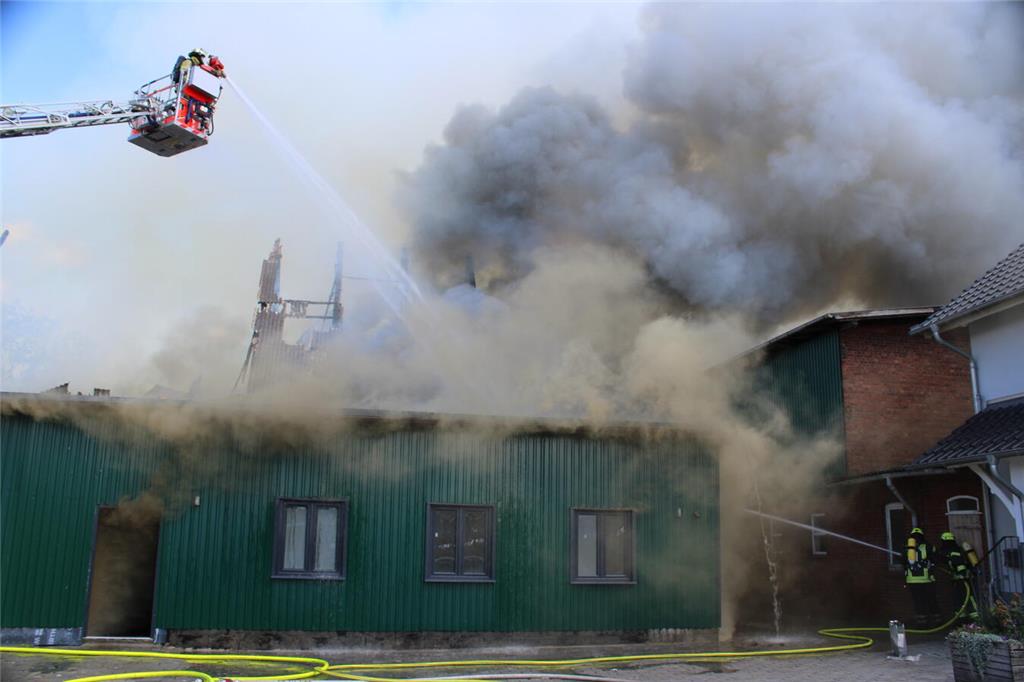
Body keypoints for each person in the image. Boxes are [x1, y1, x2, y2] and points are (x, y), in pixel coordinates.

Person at [905, 527, 940, 626]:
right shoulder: (929, 547)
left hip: (913, 581)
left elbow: (902, 560)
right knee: (931, 600)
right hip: (927, 580)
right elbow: (936, 559)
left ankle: (922, 623)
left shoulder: (907, 547)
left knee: (918, 602)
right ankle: (936, 622)